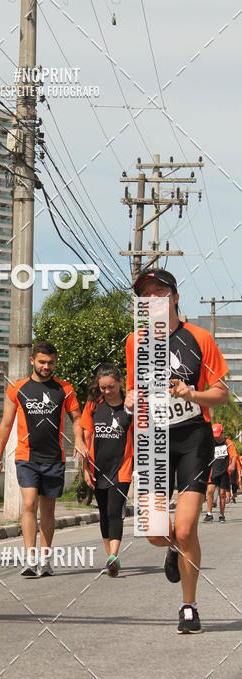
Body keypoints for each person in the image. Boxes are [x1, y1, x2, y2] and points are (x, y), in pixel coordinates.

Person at [125, 268, 229, 634]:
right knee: (155, 532)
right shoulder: (134, 342)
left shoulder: (199, 337)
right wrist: (130, 399)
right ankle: (172, 549)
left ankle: (188, 606)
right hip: (154, 439)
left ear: (174, 297)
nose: (153, 299)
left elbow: (221, 393)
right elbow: (133, 392)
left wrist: (192, 394)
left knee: (185, 529)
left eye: (159, 292)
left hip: (191, 439)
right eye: (146, 294)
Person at [0, 340, 87, 578]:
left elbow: (77, 418)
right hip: (26, 457)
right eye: (42, 362)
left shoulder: (64, 389)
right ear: (32, 361)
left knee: (48, 510)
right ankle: (30, 559)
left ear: (55, 363)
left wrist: (80, 440)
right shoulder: (17, 388)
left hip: (54, 457)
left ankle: (45, 559)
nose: (46, 366)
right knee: (29, 504)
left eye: (51, 362)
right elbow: (5, 423)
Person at [80, 363, 133, 577]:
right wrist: (85, 469)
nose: (107, 391)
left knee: (114, 511)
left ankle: (114, 555)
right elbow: (85, 438)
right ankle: (110, 559)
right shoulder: (93, 406)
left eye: (111, 387)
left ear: (120, 383)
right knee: (103, 513)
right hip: (97, 469)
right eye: (103, 387)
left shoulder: (131, 408)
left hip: (122, 468)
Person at [204, 424, 237, 522]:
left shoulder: (228, 443)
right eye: (215, 435)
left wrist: (233, 465)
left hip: (224, 471)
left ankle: (222, 515)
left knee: (222, 494)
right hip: (212, 471)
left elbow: (234, 455)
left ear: (222, 433)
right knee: (210, 491)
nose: (216, 437)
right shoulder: (210, 443)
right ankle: (209, 514)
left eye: (218, 435)